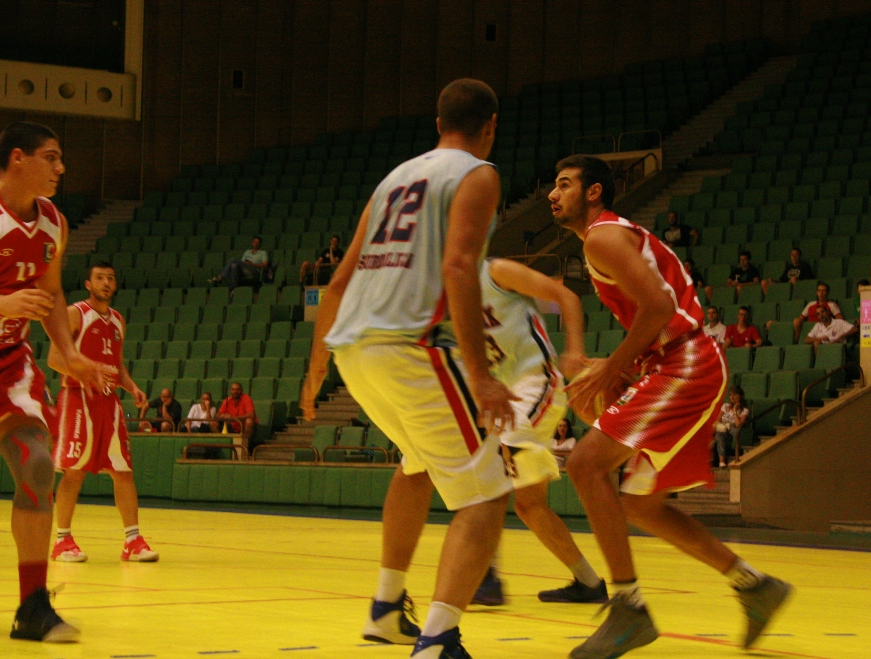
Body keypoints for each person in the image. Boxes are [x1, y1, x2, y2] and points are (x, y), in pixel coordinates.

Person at [300, 78, 517, 659]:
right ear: (490, 126)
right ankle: (439, 640)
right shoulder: (478, 174)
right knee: (486, 495)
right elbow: (459, 267)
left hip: (355, 349)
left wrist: (316, 366)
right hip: (412, 345)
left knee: (416, 465)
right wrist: (481, 375)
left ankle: (386, 608)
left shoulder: (394, 178)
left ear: (438, 123)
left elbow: (339, 280)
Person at [548, 154, 791, 658]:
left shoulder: (601, 237)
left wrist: (613, 369)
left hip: (687, 363)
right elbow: (662, 310)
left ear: (593, 192)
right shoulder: (611, 237)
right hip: (675, 360)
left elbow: (660, 308)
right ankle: (754, 585)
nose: (553, 194)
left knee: (586, 465)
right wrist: (619, 365)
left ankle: (628, 609)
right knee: (640, 504)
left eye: (565, 184)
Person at [0, 121, 112, 642]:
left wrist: (70, 354)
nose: (61, 167)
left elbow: (52, 294)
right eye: (51, 157)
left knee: (37, 464)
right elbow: (15, 300)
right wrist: (0, 303)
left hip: (7, 361)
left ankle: (33, 607)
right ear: (18, 158)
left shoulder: (54, 222)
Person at [470, 257, 606, 607]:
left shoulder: (495, 271)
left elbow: (566, 297)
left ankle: (487, 576)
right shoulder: (446, 300)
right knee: (529, 505)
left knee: (495, 463)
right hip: (502, 396)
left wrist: (574, 349)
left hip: (536, 381)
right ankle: (589, 582)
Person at [50, 262, 159, 565]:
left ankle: (132, 541)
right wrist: (84, 373)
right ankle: (62, 540)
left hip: (109, 403)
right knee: (74, 472)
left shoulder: (118, 320)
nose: (106, 282)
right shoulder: (75, 313)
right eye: (99, 278)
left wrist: (132, 387)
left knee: (123, 471)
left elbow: (117, 364)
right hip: (78, 398)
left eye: (110, 278)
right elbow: (55, 359)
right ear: (88, 284)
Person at [714, 387, 749, 468]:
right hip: (723, 431)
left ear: (741, 396)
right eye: (730, 395)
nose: (732, 397)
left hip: (734, 432)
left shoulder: (744, 410)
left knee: (732, 426)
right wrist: (723, 426)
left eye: (735, 394)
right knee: (719, 434)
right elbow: (717, 421)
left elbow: (739, 425)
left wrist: (734, 411)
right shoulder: (725, 406)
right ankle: (722, 461)